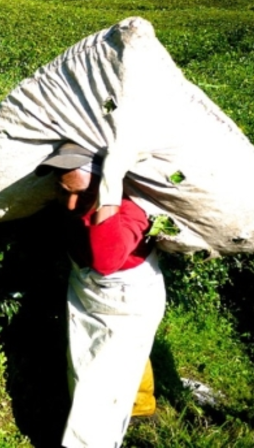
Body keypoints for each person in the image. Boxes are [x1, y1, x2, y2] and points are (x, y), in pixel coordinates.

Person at [36, 142, 166, 448]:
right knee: (107, 355)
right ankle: (140, 404)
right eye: (63, 190)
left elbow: (106, 261)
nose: (71, 204)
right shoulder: (74, 198)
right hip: (88, 288)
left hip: (126, 298)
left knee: (99, 382)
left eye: (81, 194)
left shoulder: (130, 210)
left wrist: (108, 192)